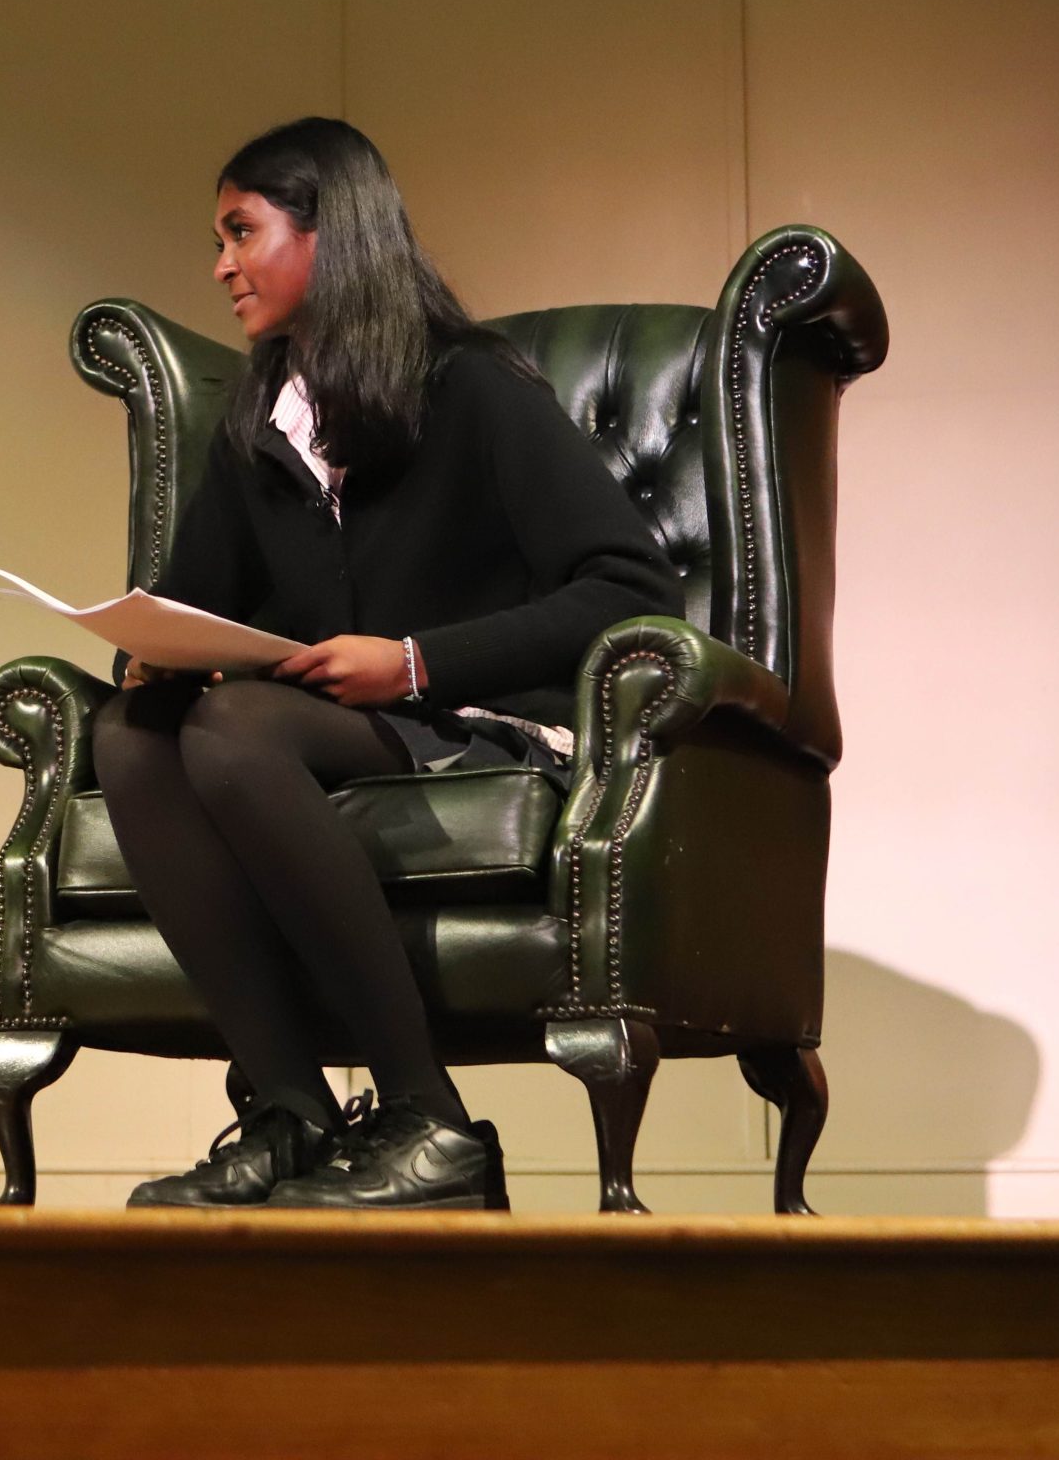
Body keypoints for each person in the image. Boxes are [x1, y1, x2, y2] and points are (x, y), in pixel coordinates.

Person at [97, 116, 681, 1210]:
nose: (220, 263)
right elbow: (196, 596)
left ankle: (432, 1117)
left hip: (477, 714)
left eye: (241, 231)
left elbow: (633, 588)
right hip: (338, 719)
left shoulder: (473, 389)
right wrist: (158, 654)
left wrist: (414, 660)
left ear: (331, 233)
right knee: (130, 735)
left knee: (236, 730)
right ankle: (288, 1109)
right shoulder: (257, 418)